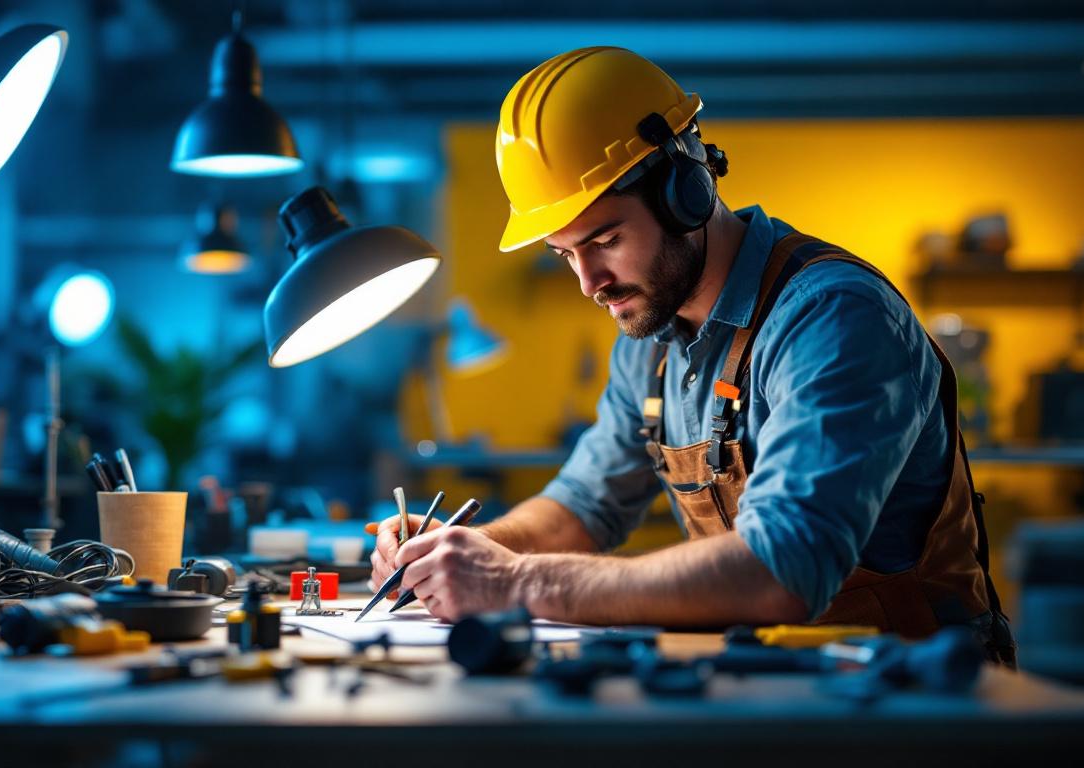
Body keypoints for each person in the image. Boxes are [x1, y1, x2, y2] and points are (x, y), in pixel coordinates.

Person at [370, 47, 1014, 664]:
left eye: (607, 239)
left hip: (916, 701)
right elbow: (584, 504)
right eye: (566, 254)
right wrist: (465, 551)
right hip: (778, 683)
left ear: (687, 194)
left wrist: (517, 582)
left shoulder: (832, 316)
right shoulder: (652, 338)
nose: (590, 283)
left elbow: (783, 569)